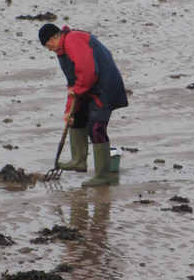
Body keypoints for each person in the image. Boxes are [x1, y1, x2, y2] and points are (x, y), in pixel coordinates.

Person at [39, 23, 128, 186]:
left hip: (104, 85)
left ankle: (102, 176)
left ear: (52, 39)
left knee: (96, 128)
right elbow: (73, 84)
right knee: (77, 118)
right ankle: (79, 160)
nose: (49, 50)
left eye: (47, 46)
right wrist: (68, 111)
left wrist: (78, 90)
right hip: (90, 86)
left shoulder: (73, 41)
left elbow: (89, 71)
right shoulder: (63, 50)